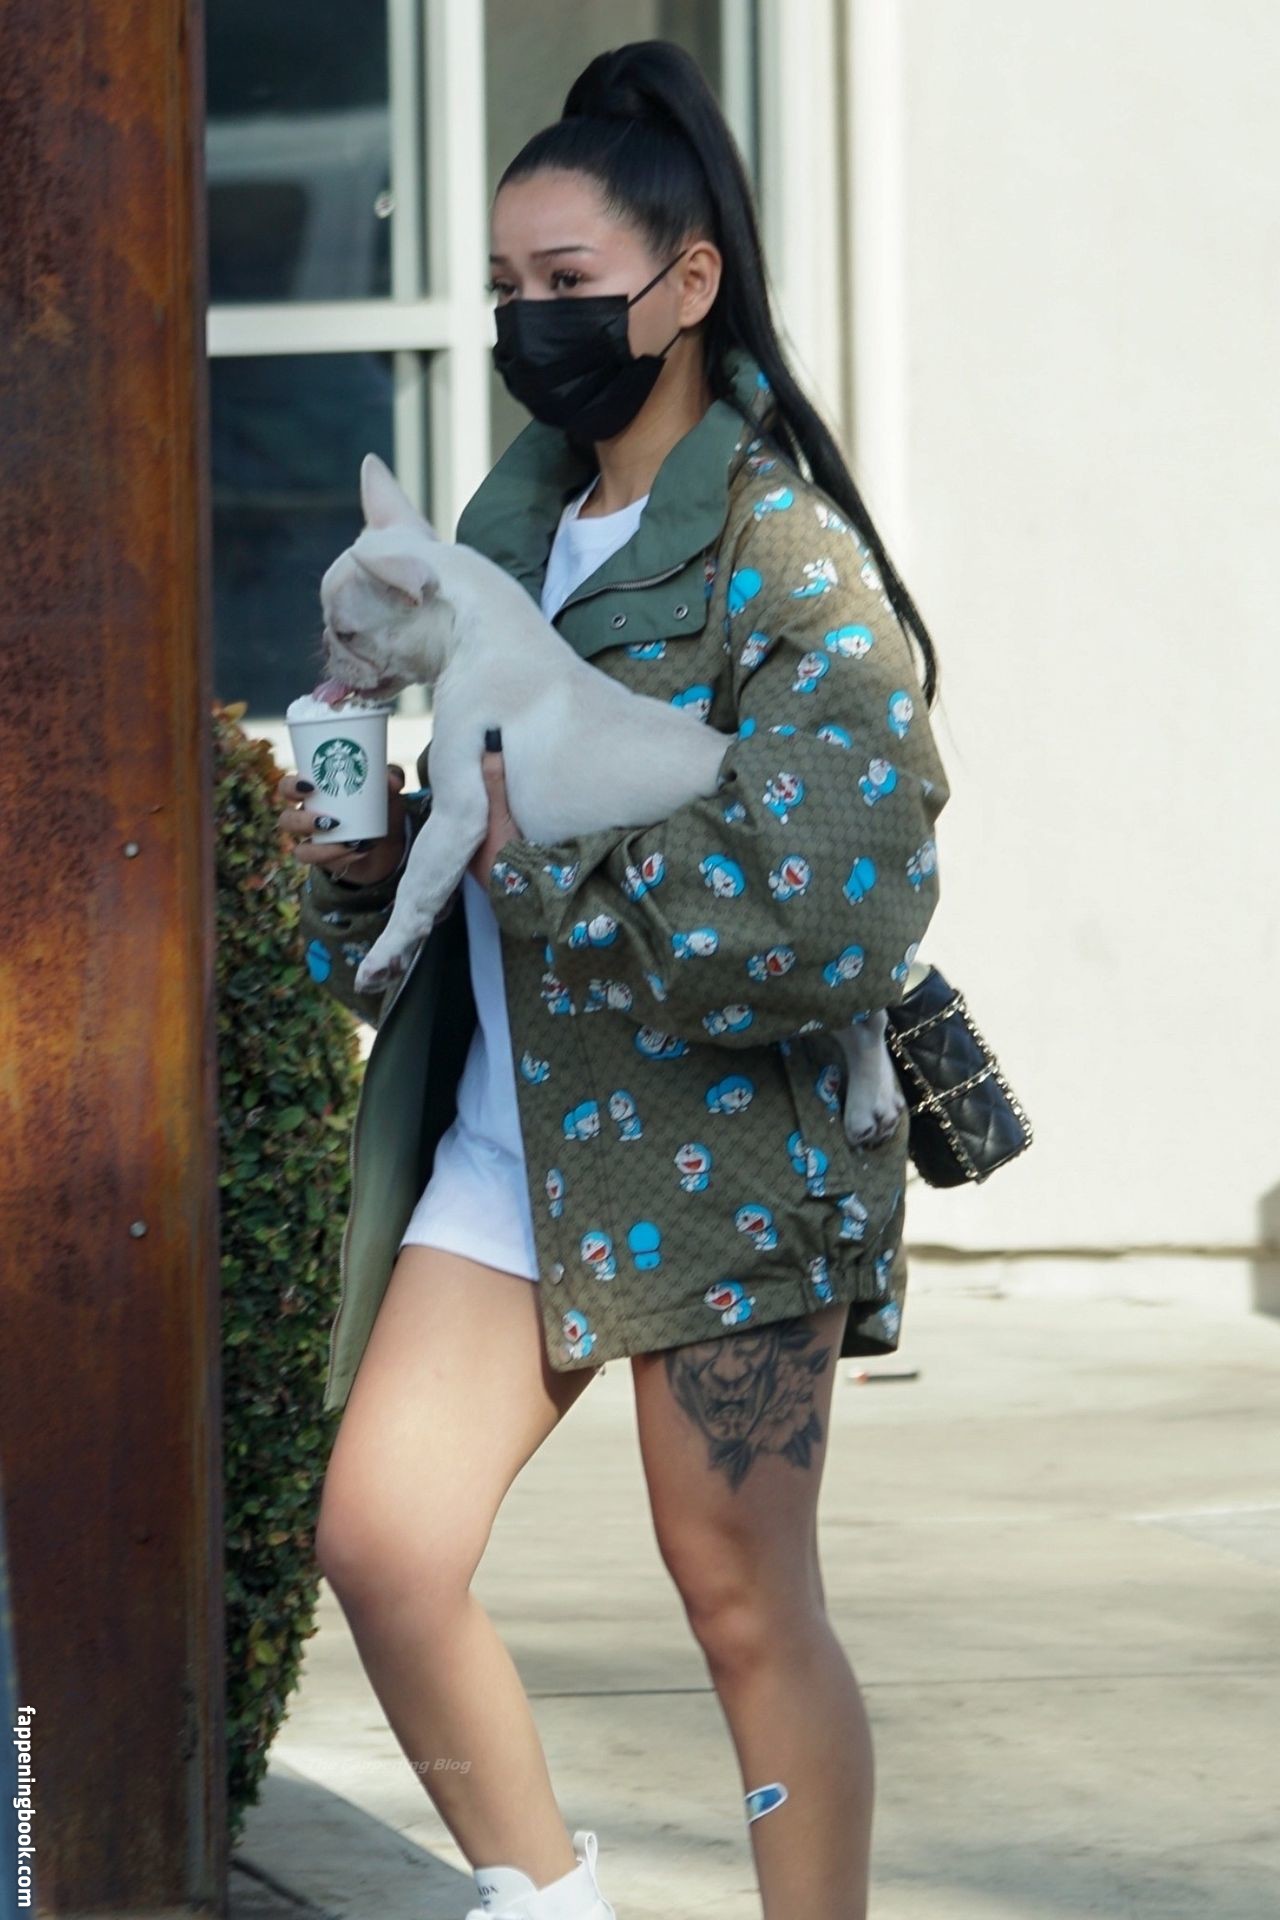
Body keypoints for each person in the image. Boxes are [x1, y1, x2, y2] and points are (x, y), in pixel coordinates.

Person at [277, 39, 950, 1920]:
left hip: (726, 1146)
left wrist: (548, 857)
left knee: (742, 1600)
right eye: (505, 286)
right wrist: (367, 876)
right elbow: (464, 863)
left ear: (685, 282)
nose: (529, 322)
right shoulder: (500, 542)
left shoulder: (783, 554)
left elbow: (847, 899)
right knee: (383, 1544)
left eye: (567, 281)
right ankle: (548, 1903)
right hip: (510, 1142)